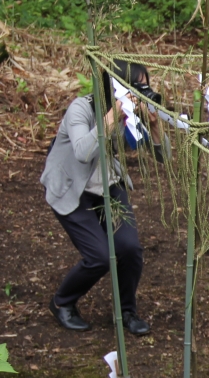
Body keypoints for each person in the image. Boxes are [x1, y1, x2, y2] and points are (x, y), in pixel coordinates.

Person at [42, 61, 161, 335]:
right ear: (115, 88)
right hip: (72, 187)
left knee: (129, 249)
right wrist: (111, 119)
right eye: (135, 87)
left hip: (107, 186)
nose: (140, 93)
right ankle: (62, 303)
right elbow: (83, 152)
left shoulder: (132, 113)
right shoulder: (81, 109)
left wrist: (154, 126)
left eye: (144, 86)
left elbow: (161, 156)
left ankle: (127, 312)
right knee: (99, 256)